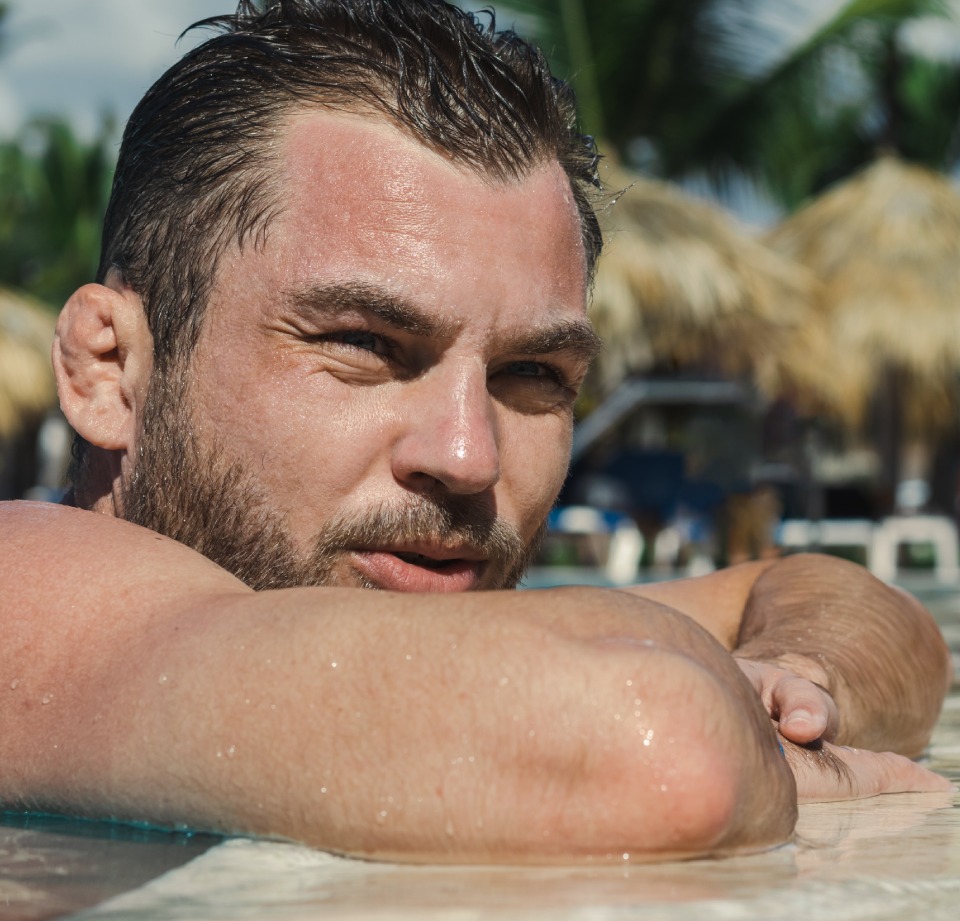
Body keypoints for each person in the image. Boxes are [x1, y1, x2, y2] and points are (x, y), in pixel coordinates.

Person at [0, 0, 952, 865]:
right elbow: (663, 750)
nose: (468, 457)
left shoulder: (388, 591)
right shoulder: (21, 595)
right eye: (367, 344)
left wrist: (797, 685)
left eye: (531, 374)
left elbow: (861, 605)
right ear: (110, 370)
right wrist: (798, 767)